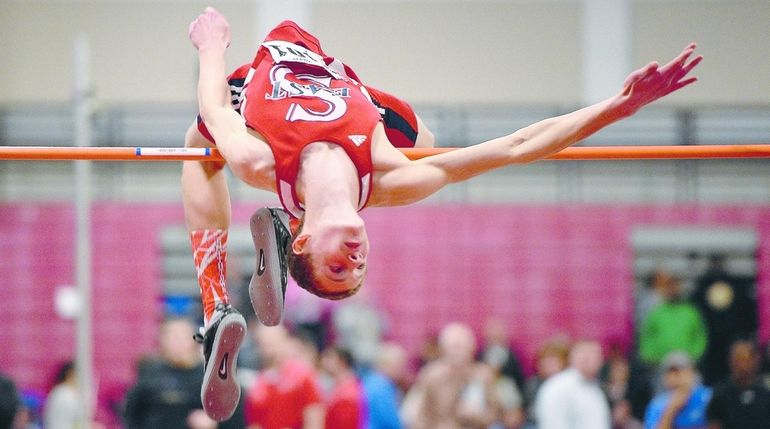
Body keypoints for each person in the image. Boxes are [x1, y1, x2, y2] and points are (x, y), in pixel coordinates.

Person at [184, 6, 701, 420]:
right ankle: (229, 295)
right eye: (360, 267)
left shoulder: (257, 161)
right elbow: (519, 146)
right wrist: (618, 106)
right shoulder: (398, 178)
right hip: (352, 98)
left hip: (265, 78)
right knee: (426, 145)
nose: (356, 258)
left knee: (200, 140)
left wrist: (212, 47)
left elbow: (213, 106)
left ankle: (214, 306)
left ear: (303, 243)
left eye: (338, 266)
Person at [123, 318, 226, 429]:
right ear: (162, 340)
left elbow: (231, 417)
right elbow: (132, 413)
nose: (177, 342)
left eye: (182, 336)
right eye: (171, 337)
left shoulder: (209, 376)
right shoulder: (149, 371)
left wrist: (214, 421)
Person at [243, 325, 324, 429]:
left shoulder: (302, 374)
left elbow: (314, 416)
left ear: (284, 341)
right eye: (263, 344)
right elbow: (254, 423)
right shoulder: (259, 383)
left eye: (272, 343)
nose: (268, 349)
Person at [534, 340, 612, 429]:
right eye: (585, 355)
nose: (591, 360)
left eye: (595, 355)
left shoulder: (595, 387)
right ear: (571, 358)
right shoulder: (557, 387)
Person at [638, 271, 707, 369]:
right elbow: (647, 336)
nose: (673, 290)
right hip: (660, 364)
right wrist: (650, 356)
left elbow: (700, 336)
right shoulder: (656, 312)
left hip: (686, 363)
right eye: (669, 287)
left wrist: (694, 356)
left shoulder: (690, 312)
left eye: (676, 287)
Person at [706, 340, 770, 429]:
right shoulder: (720, 394)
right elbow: (714, 424)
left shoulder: (766, 393)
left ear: (756, 360)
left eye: (745, 359)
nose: (741, 365)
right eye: (737, 360)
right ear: (730, 361)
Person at [643, 351, 712, 429]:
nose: (675, 378)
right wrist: (671, 410)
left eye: (680, 372)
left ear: (692, 373)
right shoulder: (657, 404)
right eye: (670, 373)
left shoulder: (708, 397)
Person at [360, 342, 409, 429]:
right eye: (398, 366)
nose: (401, 371)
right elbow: (390, 420)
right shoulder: (381, 387)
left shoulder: (369, 380)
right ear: (385, 364)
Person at [319, 346, 366, 429]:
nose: (324, 361)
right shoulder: (341, 388)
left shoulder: (348, 394)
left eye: (329, 358)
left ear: (342, 362)